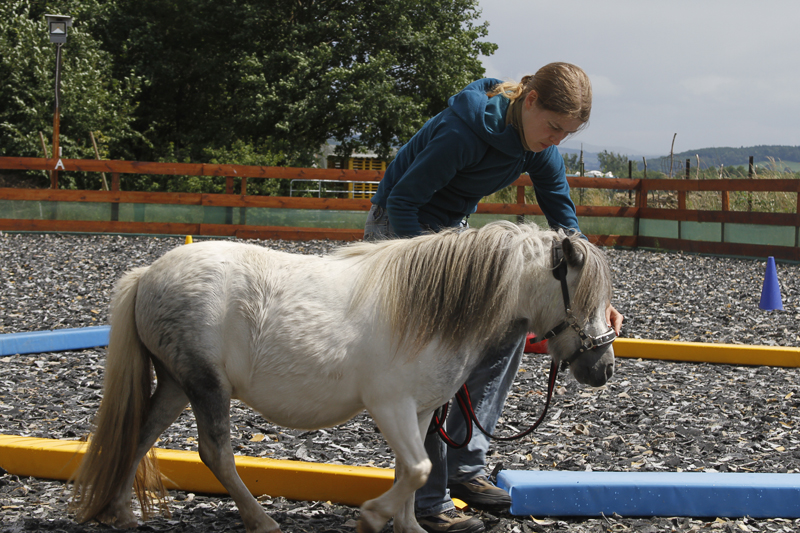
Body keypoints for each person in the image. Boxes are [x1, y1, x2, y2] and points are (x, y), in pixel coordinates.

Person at [363, 62, 624, 533]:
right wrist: (431, 273)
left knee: (512, 326)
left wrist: (592, 298)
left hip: (451, 234)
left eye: (568, 132)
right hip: (399, 231)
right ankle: (427, 500)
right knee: (438, 358)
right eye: (554, 126)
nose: (557, 140)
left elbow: (566, 222)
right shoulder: (462, 134)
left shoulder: (535, 146)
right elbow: (402, 202)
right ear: (529, 102)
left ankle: (465, 466)